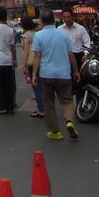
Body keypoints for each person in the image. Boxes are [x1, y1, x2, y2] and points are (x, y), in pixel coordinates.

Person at [32, 8, 80, 140]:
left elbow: (37, 56)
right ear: (54, 20)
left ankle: (55, 131)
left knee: (49, 103)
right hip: (64, 74)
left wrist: (34, 74)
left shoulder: (39, 35)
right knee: (67, 100)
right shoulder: (63, 35)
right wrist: (76, 71)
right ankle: (69, 121)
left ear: (42, 21)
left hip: (46, 74)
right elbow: (71, 54)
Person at [19, 15, 44, 118]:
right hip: (41, 61)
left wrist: (24, 65)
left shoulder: (26, 36)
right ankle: (44, 107)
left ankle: (41, 109)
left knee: (36, 86)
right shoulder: (36, 34)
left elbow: (26, 52)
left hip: (32, 63)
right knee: (41, 86)